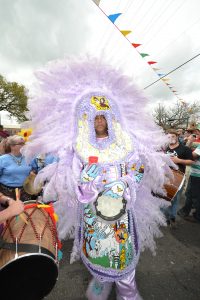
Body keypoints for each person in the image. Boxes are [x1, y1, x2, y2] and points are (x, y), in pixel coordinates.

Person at [22, 57, 173, 300]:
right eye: (95, 118)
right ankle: (101, 286)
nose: (99, 121)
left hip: (121, 212)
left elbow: (137, 171)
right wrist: (87, 183)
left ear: (111, 117)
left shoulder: (126, 144)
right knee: (99, 252)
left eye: (103, 116)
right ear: (88, 121)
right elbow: (75, 180)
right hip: (94, 212)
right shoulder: (81, 148)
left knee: (121, 256)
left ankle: (127, 292)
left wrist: (125, 184)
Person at [164, 130, 193, 227]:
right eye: (169, 137)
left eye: (173, 136)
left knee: (175, 199)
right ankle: (165, 218)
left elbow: (191, 161)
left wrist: (178, 160)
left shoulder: (184, 149)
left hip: (178, 177)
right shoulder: (164, 148)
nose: (171, 138)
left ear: (177, 137)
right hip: (165, 176)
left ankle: (172, 217)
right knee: (165, 198)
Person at [0, 135, 33, 201]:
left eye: (24, 143)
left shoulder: (29, 158)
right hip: (6, 192)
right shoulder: (2, 159)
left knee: (24, 210)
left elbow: (33, 171)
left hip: (24, 192)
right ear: (12, 146)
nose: (24, 145)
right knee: (10, 211)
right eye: (21, 144)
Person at [178, 144, 200, 223]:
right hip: (195, 174)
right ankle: (185, 211)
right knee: (191, 194)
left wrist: (188, 145)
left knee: (194, 196)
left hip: (197, 175)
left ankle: (197, 216)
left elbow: (193, 156)